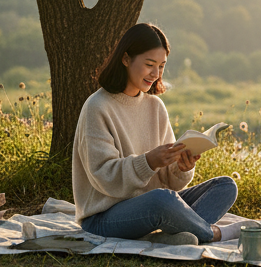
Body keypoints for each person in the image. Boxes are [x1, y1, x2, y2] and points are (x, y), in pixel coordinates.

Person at [73, 22, 243, 246]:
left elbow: (168, 182)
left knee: (225, 186)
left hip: (152, 206)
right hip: (104, 217)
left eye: (162, 66)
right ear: (125, 59)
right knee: (162, 201)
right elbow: (104, 177)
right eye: (150, 64)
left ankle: (171, 235)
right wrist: (148, 162)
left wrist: (181, 168)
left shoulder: (155, 106)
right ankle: (213, 234)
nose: (156, 74)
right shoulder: (97, 107)